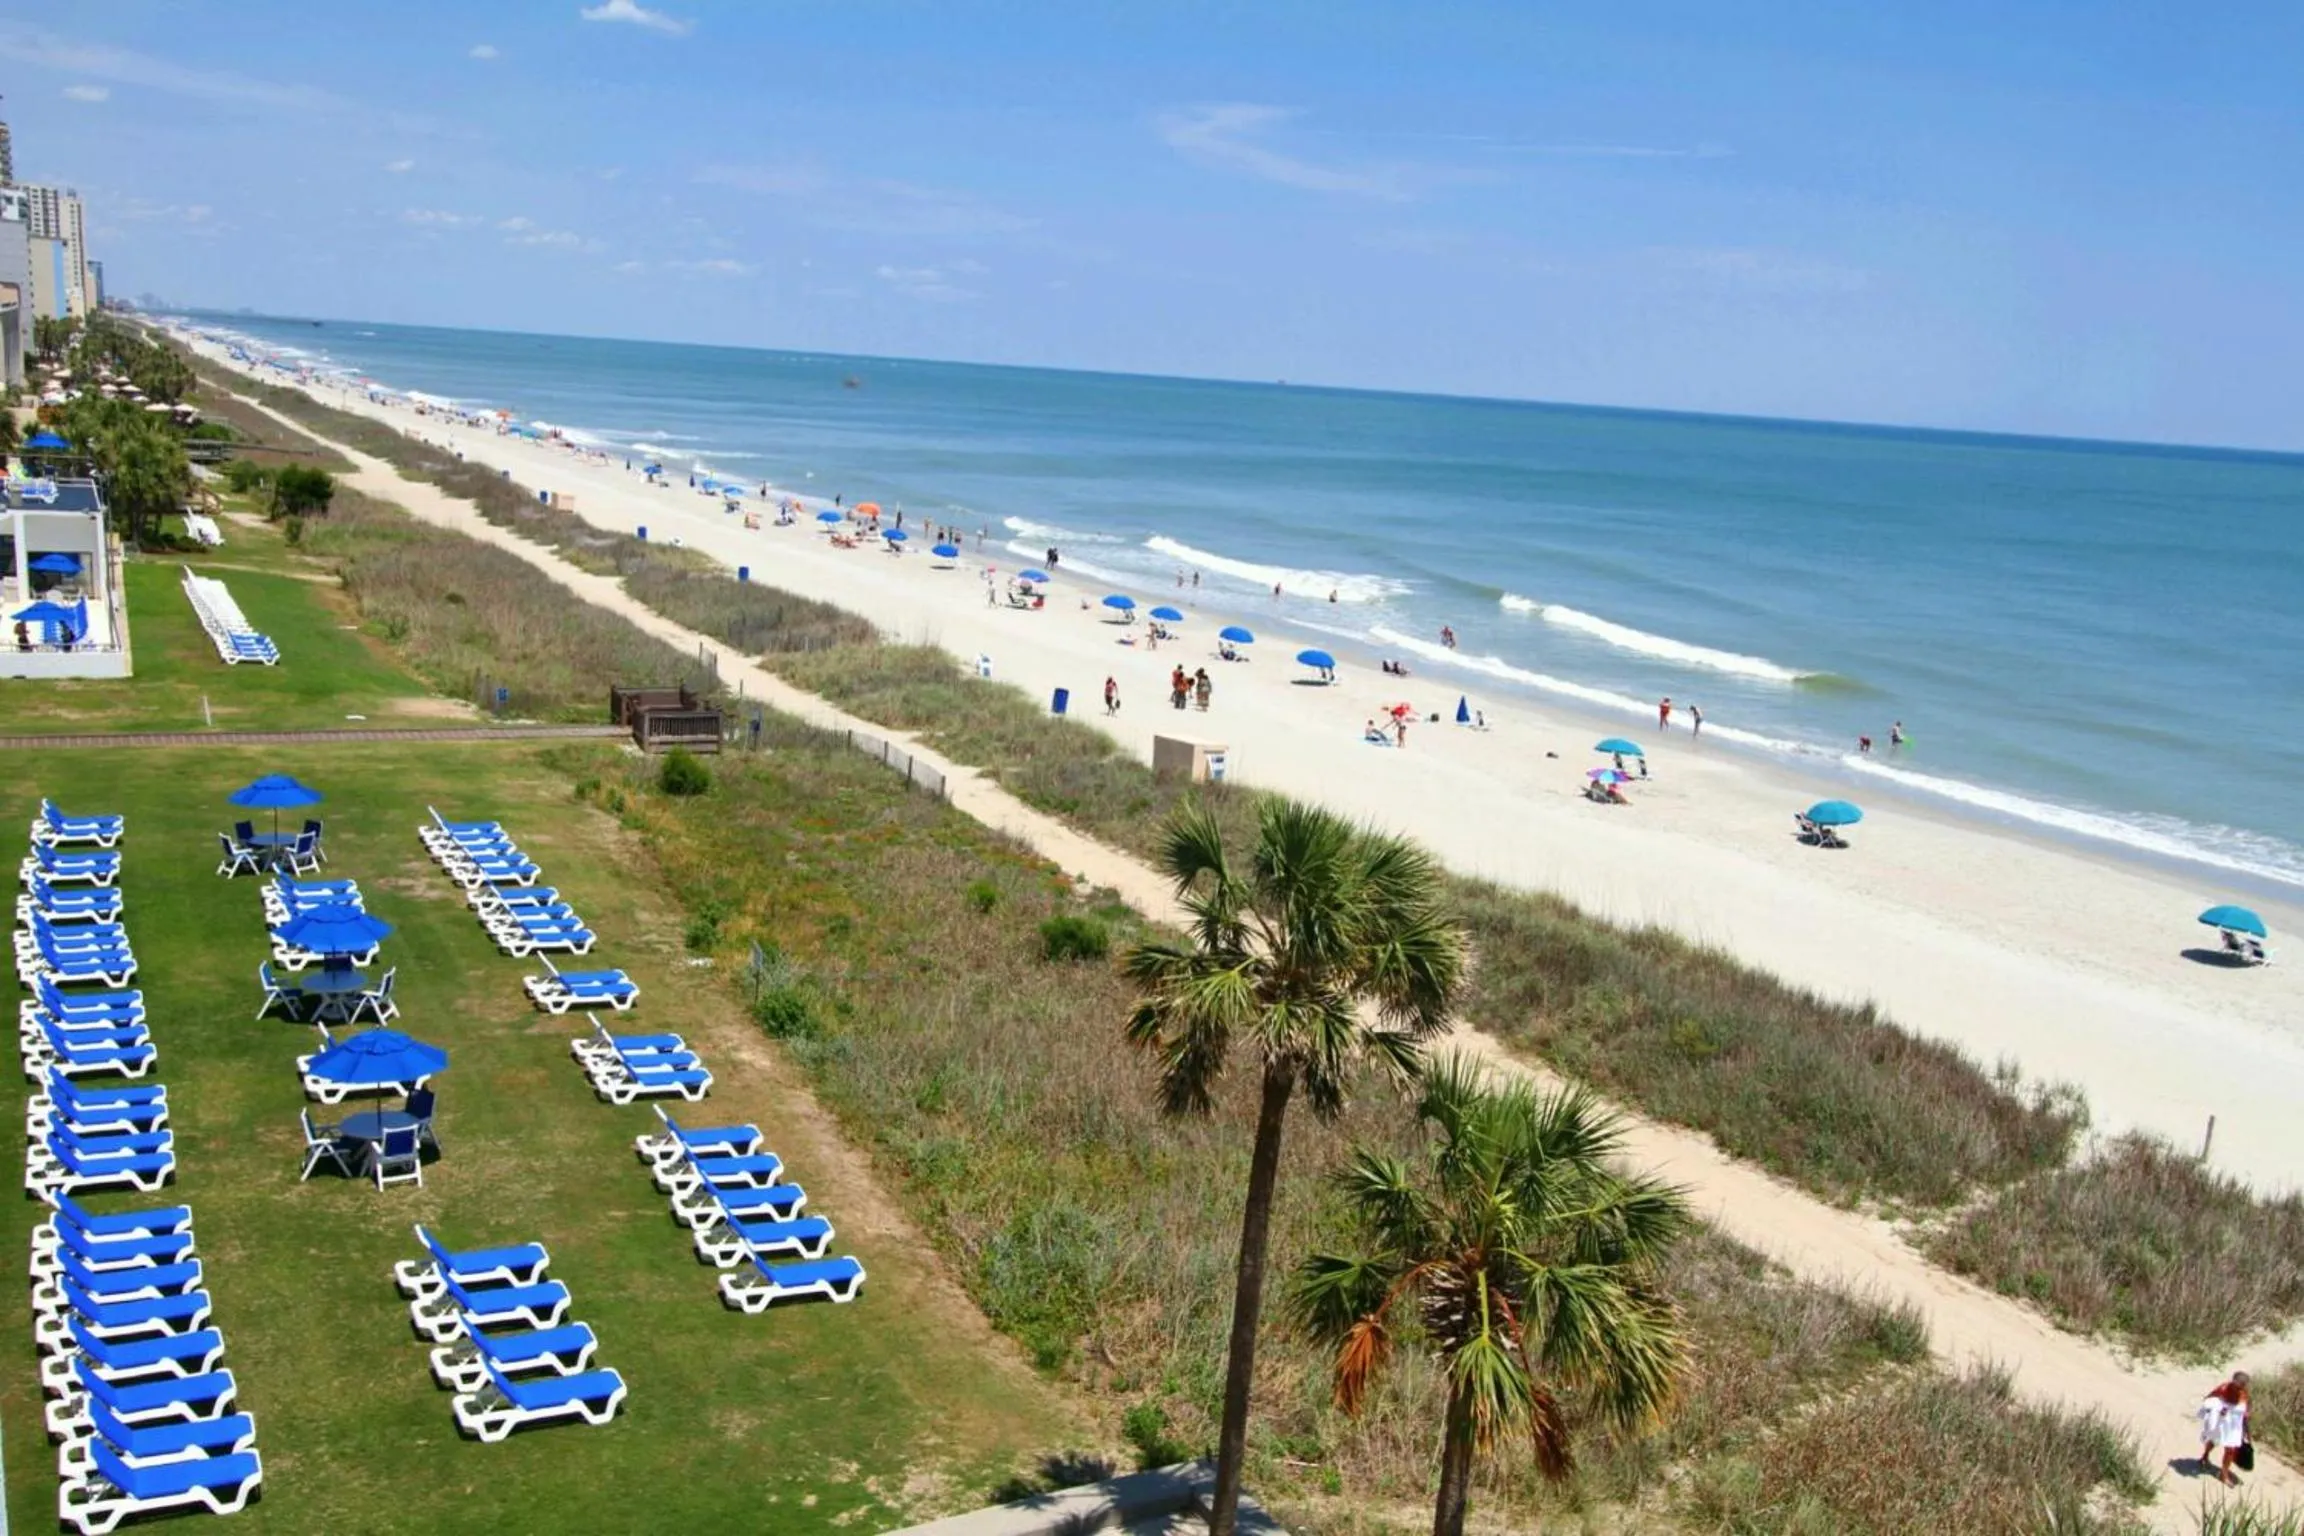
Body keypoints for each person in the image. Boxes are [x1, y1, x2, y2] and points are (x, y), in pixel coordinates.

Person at [2200, 1373, 2251, 1486]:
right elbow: (2209, 1400)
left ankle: (2224, 1474)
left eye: (2242, 1386)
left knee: (2230, 1450)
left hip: (2234, 1426)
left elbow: (2247, 1405)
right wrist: (2217, 1410)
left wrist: (2246, 1423)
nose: (2240, 1389)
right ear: (2233, 1381)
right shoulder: (2223, 1388)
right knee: (2213, 1441)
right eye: (2238, 1386)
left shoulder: (2244, 1392)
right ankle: (2205, 1455)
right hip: (2222, 1422)